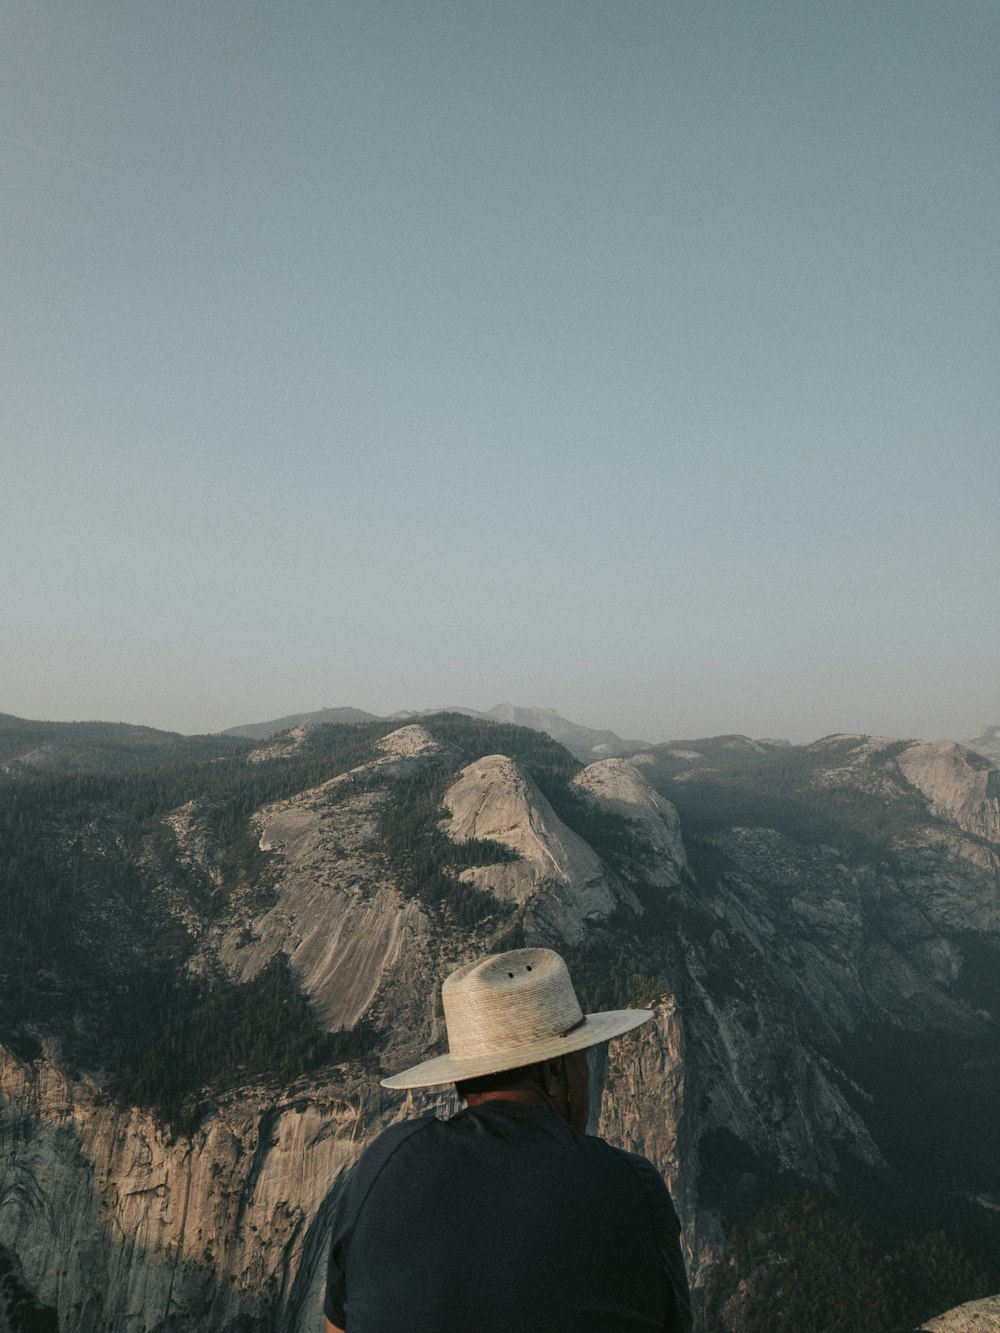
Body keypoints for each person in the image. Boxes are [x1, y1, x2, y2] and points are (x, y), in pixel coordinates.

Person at [324, 947, 692, 1333]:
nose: (589, 1077)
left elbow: (338, 1327)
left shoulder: (385, 1162)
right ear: (554, 1072)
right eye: (582, 1059)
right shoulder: (627, 1185)